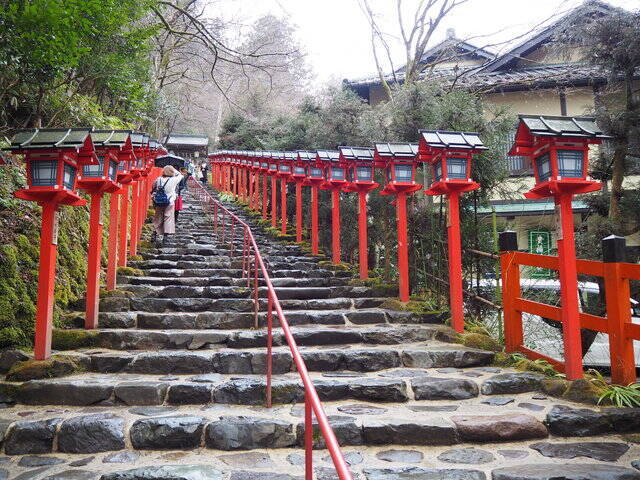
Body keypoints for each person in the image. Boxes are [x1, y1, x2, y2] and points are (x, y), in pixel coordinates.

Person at [151, 165, 183, 245]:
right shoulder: (174, 180)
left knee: (158, 217)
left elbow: (153, 187)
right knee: (168, 217)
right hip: (169, 201)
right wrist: (174, 170)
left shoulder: (159, 179)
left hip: (158, 201)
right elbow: (181, 175)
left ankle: (154, 234)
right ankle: (165, 237)